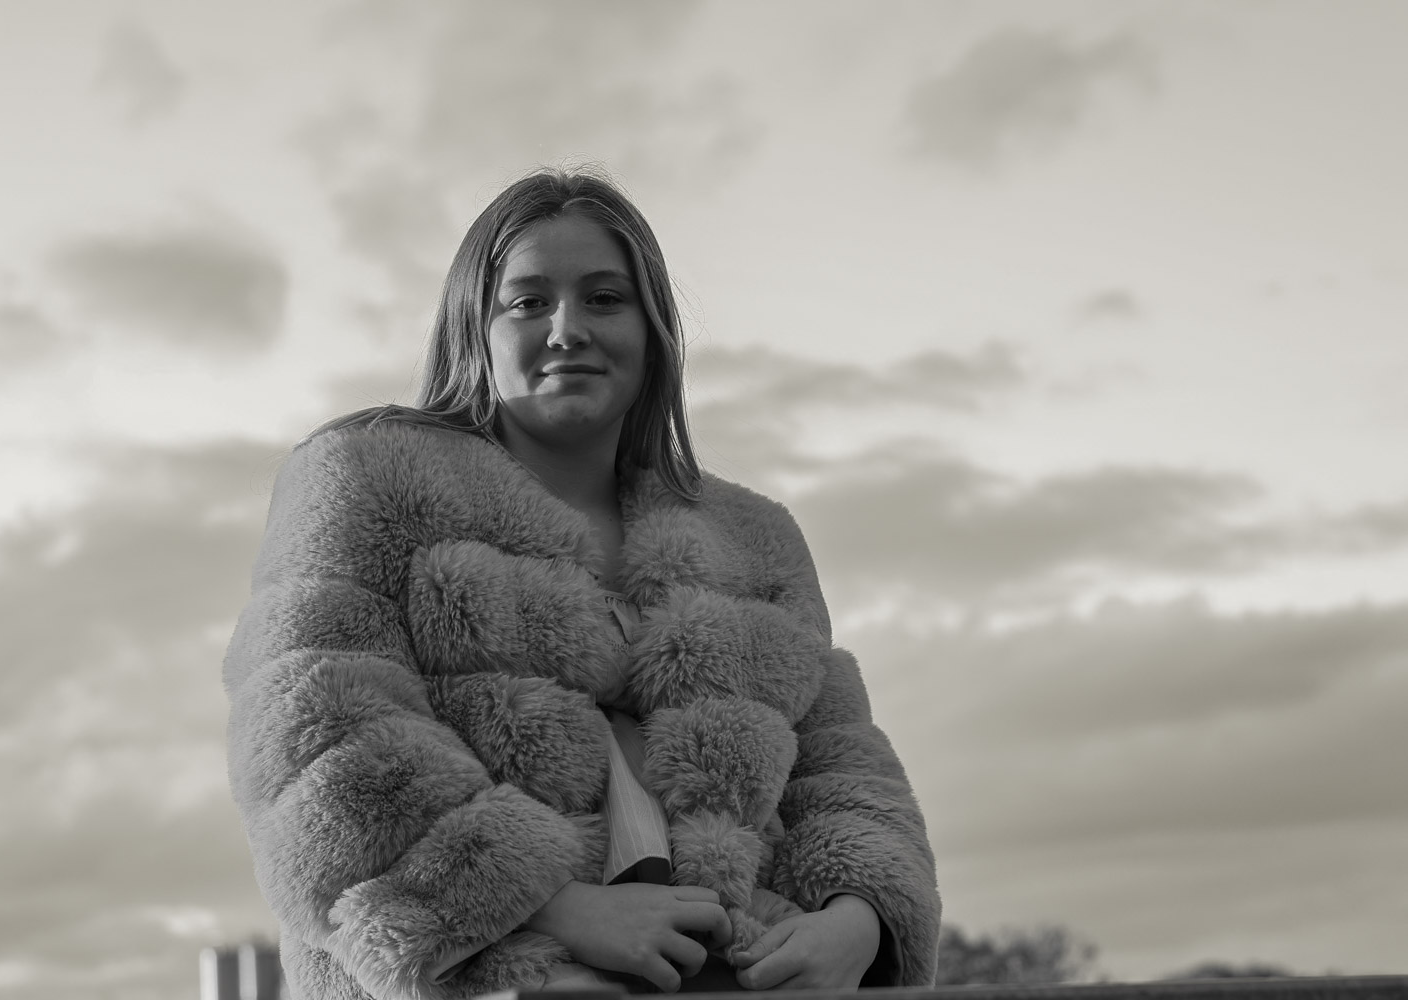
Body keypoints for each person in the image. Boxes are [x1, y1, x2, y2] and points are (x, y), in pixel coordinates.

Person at [223, 168, 940, 1000]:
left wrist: (857, 922)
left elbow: (842, 766)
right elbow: (316, 732)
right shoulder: (365, 479)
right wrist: (555, 910)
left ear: (652, 330)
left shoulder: (757, 540)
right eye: (529, 302)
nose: (567, 329)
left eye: (604, 298)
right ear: (474, 329)